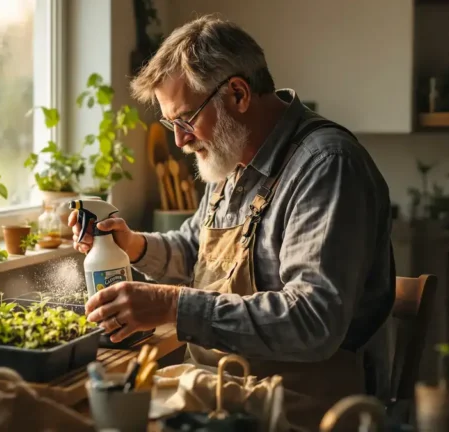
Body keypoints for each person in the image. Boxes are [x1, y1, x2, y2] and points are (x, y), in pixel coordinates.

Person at [69, 14, 395, 430]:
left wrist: (173, 305)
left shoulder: (326, 166)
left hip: (305, 408)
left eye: (185, 119)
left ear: (238, 94)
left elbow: (314, 321)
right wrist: (131, 245)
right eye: (172, 124)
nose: (180, 140)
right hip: (226, 391)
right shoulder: (232, 160)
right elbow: (195, 251)